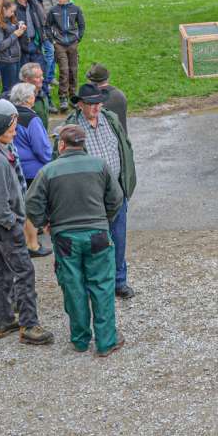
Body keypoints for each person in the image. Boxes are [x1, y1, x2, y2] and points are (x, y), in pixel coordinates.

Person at [25, 125, 125, 356]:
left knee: (73, 287)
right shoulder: (100, 165)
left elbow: (31, 203)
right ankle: (106, 341)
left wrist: (45, 222)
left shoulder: (48, 171)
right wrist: (104, 219)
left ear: (61, 144)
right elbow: (116, 198)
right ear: (83, 143)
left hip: (65, 238)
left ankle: (80, 340)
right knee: (102, 286)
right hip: (98, 234)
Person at [0, 108, 52, 344]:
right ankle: (29, 325)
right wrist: (14, 225)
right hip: (4, 227)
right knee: (24, 271)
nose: (14, 134)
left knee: (0, 271)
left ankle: (4, 320)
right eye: (11, 131)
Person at [68, 84, 137, 298]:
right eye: (91, 104)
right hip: (90, 197)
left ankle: (119, 281)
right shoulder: (71, 128)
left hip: (116, 192)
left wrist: (126, 183)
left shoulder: (110, 119)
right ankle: (97, 284)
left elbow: (124, 148)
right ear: (80, 105)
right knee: (94, 242)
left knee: (118, 238)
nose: (97, 107)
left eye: (99, 102)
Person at [7, 86, 53, 256]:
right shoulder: (32, 119)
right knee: (32, 208)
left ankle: (23, 237)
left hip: (14, 167)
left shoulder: (9, 115)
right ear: (28, 99)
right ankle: (32, 245)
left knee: (19, 205)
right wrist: (52, 161)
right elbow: (41, 148)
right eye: (33, 94)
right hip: (32, 171)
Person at [46, 0, 85, 111]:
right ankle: (63, 97)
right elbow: (47, 26)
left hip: (73, 43)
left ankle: (73, 97)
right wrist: (53, 41)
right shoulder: (53, 10)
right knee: (64, 71)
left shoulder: (76, 9)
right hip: (59, 44)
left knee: (73, 70)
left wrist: (78, 38)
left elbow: (82, 25)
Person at [29, 0, 56, 96]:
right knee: (49, 54)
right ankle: (45, 80)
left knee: (50, 53)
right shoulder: (33, 0)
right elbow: (38, 20)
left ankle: (48, 79)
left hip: (46, 31)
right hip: (40, 35)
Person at [0, 0, 28, 93]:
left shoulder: (10, 21)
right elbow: (1, 46)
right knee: (8, 89)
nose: (13, 14)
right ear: (4, 9)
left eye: (14, 11)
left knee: (15, 88)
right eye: (11, 11)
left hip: (16, 58)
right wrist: (15, 35)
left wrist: (21, 29)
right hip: (6, 60)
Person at [85, 64, 128, 132]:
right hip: (121, 137)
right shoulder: (120, 95)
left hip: (102, 138)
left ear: (89, 80)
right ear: (107, 78)